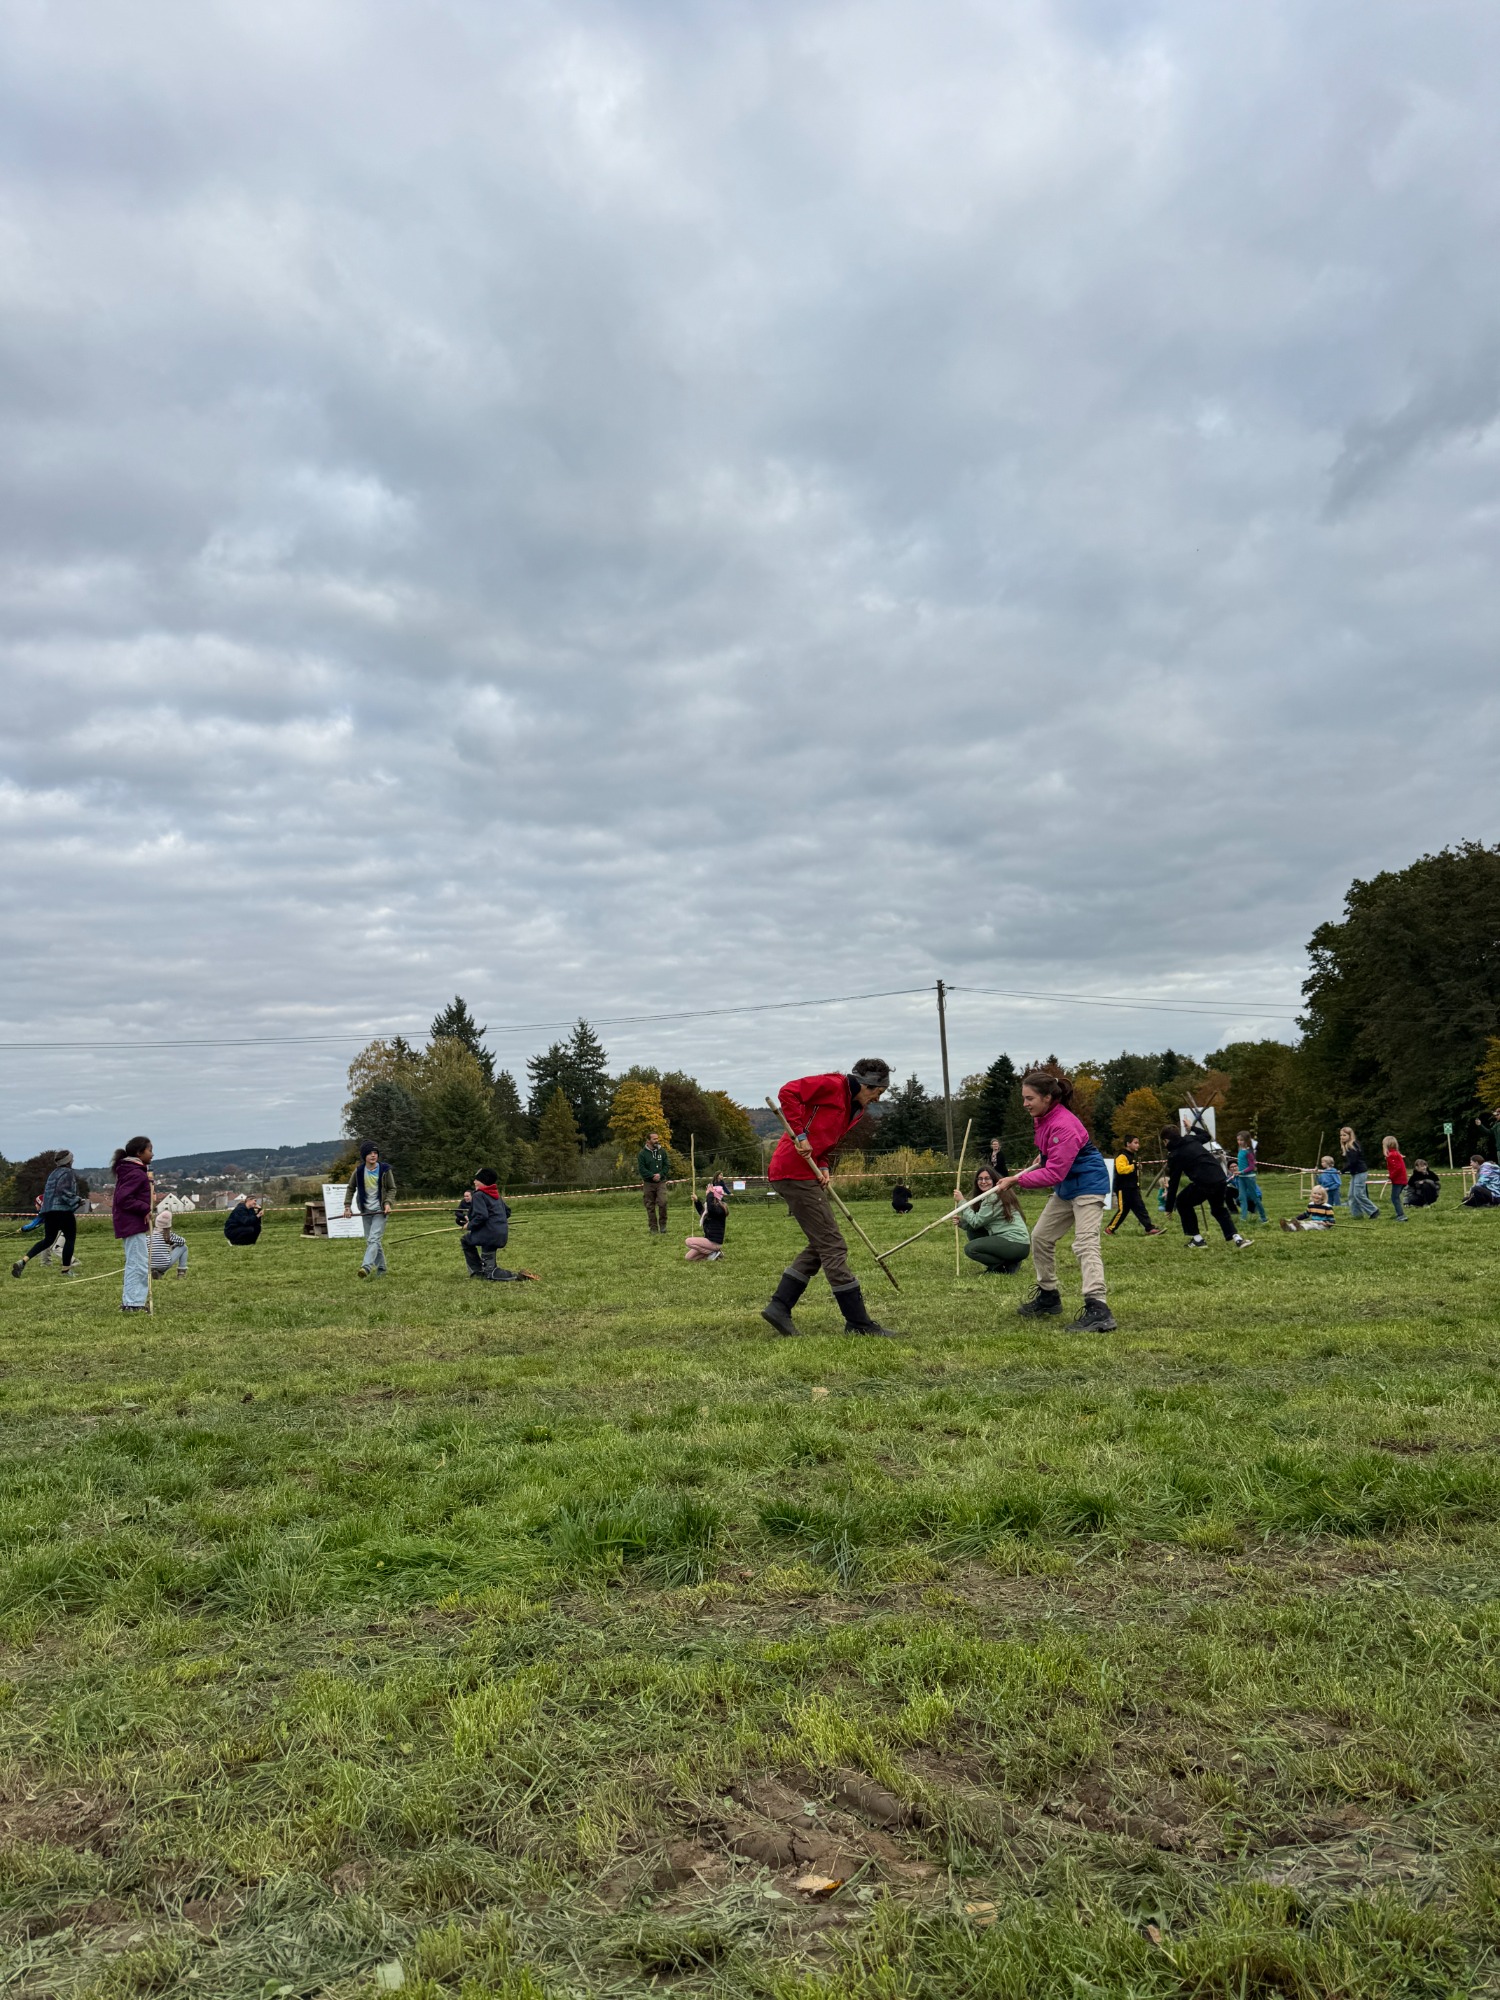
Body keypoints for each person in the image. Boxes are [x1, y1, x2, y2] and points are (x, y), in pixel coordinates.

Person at [761, 1059, 897, 1338]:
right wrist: (799, 1135)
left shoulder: (856, 1109)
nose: (877, 1098)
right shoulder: (832, 1084)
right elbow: (788, 1092)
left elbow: (825, 1139)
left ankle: (779, 1306)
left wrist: (823, 1165)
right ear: (866, 1084)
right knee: (833, 1246)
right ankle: (858, 1324)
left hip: (807, 1173)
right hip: (792, 1171)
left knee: (820, 1244)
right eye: (878, 1092)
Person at [994, 1071, 1116, 1332]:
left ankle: (1099, 1309)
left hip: (1088, 1186)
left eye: (1029, 1098)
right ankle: (1049, 1296)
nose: (1025, 1104)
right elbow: (1054, 1155)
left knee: (1085, 1244)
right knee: (1040, 1237)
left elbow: (1054, 1173)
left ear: (1047, 1097)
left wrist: (1015, 1180)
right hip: (1067, 1188)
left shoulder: (1063, 1124)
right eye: (1024, 1098)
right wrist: (1044, 1157)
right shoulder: (1044, 1118)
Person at [1162, 1122, 1253, 1250]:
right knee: (1218, 1209)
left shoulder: (1175, 1155)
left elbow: (1174, 1182)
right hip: (1220, 1178)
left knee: (1182, 1202)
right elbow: (1206, 1136)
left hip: (1203, 1183)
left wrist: (1169, 1207)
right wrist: (1192, 1128)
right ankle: (1238, 1239)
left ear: (1166, 1140)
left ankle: (1198, 1240)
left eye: (1164, 1143)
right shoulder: (1190, 1139)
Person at [11, 1151, 84, 1279]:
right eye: (72, 1159)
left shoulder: (52, 1174)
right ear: (68, 1161)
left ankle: (23, 1261)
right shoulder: (68, 1173)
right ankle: (66, 1270)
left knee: (48, 1240)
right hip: (63, 1211)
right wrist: (77, 1200)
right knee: (70, 1239)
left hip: (49, 1211)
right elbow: (64, 1192)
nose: (73, 1161)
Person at [461, 1169, 535, 1280]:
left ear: (483, 1181)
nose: (474, 1182)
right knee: (468, 1241)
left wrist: (469, 1225)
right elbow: (507, 1212)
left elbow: (482, 1216)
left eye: (476, 1179)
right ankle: (482, 1270)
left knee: (489, 1272)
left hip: (489, 1235)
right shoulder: (495, 1194)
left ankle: (481, 1272)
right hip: (499, 1234)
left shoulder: (479, 1195)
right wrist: (497, 1221)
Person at [960, 1167, 1030, 1274]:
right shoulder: (990, 1196)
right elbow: (978, 1223)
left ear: (994, 1180)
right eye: (980, 1179)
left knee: (970, 1249)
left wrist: (961, 1201)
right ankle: (1009, 1263)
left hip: (1016, 1243)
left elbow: (976, 1222)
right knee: (973, 1231)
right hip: (1012, 1242)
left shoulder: (994, 1197)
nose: (983, 1182)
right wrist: (962, 1223)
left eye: (987, 1178)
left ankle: (1002, 1267)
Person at [112, 1136, 154, 1313]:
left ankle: (131, 1301)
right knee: (138, 1263)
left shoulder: (132, 1170)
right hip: (132, 1223)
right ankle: (133, 1303)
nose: (152, 1154)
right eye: (149, 1150)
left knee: (135, 1262)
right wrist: (144, 1208)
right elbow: (123, 1198)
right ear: (139, 1152)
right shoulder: (135, 1173)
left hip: (131, 1223)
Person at [344, 1141, 395, 1276]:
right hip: (365, 1211)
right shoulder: (359, 1171)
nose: (373, 1155)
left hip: (380, 1210)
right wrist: (347, 1207)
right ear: (364, 1156)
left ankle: (366, 1267)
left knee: (373, 1239)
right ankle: (382, 1270)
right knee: (372, 1241)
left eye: (375, 1153)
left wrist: (388, 1203)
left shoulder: (385, 1170)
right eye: (370, 1153)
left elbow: (392, 1188)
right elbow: (350, 1188)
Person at [1104, 1136, 1163, 1237]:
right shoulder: (1122, 1156)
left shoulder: (1132, 1156)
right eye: (1135, 1143)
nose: (1138, 1145)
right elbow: (1121, 1170)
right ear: (1128, 1144)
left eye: (1138, 1143)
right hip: (1123, 1188)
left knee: (1140, 1208)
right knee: (1123, 1210)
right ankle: (1109, 1229)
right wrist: (1134, 1166)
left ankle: (1149, 1228)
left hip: (1132, 1187)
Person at [638, 1131, 671, 1237]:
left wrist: (660, 1174)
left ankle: (663, 1226)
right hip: (648, 1183)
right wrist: (652, 1175)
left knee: (663, 1202)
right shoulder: (642, 1154)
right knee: (650, 1206)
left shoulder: (662, 1152)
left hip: (661, 1182)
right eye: (654, 1139)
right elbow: (641, 1169)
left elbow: (666, 1165)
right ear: (648, 1141)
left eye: (657, 1138)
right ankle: (653, 1228)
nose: (657, 1140)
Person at [1340, 1128, 1379, 1218]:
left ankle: (1373, 1210)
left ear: (1350, 1136)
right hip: (1355, 1173)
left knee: (1358, 1194)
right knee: (1351, 1195)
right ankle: (1357, 1215)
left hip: (1360, 1172)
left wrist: (1342, 1170)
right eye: (1341, 1135)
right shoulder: (1347, 1146)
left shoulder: (1353, 1146)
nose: (1342, 1137)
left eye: (1344, 1135)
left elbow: (1353, 1162)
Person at [685, 1183, 728, 1261]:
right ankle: (713, 1255)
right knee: (689, 1257)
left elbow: (711, 1209)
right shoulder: (712, 1208)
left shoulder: (720, 1209)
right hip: (708, 1240)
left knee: (688, 1241)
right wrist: (697, 1201)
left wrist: (710, 1193)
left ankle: (713, 1252)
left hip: (714, 1243)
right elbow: (702, 1213)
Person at [1235, 1132, 1268, 1225]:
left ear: (1247, 1140)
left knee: (1255, 1198)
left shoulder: (1249, 1152)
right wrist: (1238, 1171)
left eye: (1241, 1140)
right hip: (1241, 1178)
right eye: (1238, 1140)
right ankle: (1243, 1219)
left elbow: (1252, 1167)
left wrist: (1241, 1171)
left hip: (1249, 1178)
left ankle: (1264, 1218)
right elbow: (1242, 1163)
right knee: (1242, 1198)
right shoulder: (1240, 1149)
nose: (1239, 1142)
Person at [150, 1206, 189, 1278]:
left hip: (149, 1265)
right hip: (164, 1265)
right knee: (184, 1247)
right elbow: (183, 1241)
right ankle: (181, 1272)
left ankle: (157, 1272)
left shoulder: (149, 1236)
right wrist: (174, 1245)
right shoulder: (169, 1235)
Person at [1382, 1136, 1409, 1221]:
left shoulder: (1391, 1155)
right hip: (1402, 1179)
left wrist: (1391, 1176)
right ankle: (1399, 1214)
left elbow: (1397, 1168)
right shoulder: (1396, 1154)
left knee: (1394, 1198)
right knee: (1396, 1197)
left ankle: (1401, 1215)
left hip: (1398, 1180)